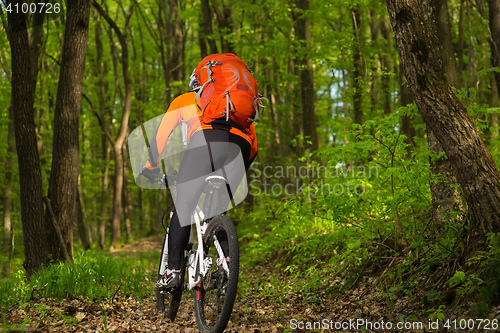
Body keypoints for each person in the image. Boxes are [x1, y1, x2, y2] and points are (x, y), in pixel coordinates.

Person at [141, 71, 258, 289]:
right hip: (239, 149)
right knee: (217, 213)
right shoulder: (235, 109)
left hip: (205, 142)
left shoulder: (186, 99)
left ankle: (173, 272)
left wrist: (152, 167)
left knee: (183, 206)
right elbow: (253, 147)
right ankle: (225, 271)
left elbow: (161, 135)